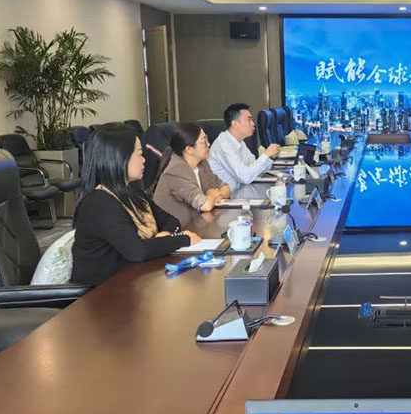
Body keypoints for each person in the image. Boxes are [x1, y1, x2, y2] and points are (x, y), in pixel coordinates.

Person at [71, 123, 201, 286]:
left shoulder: (133, 193)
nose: (144, 159)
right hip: (101, 292)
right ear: (120, 158)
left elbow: (171, 221)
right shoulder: (99, 202)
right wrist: (183, 239)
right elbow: (138, 251)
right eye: (139, 154)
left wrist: (164, 235)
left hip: (133, 281)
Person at [148, 123, 232, 226]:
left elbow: (226, 188)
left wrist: (216, 195)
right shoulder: (176, 170)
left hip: (197, 225)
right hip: (175, 230)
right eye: (204, 141)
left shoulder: (202, 164)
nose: (209, 144)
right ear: (189, 149)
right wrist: (212, 194)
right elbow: (205, 205)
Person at [208, 103, 281, 195]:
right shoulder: (224, 145)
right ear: (235, 124)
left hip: (242, 192)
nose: (253, 124)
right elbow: (246, 177)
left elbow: (254, 168)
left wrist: (270, 157)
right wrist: (266, 155)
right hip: (227, 198)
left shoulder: (239, 141)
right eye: (249, 120)